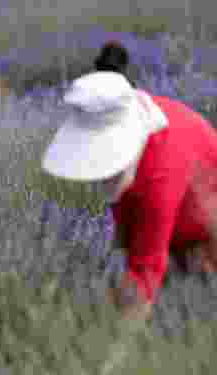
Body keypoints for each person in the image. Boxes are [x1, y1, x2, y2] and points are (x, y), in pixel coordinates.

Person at [41, 42, 217, 325]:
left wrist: (106, 344)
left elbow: (145, 270)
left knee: (193, 287)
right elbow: (127, 221)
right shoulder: (131, 131)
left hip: (206, 228)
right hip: (181, 209)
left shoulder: (161, 165)